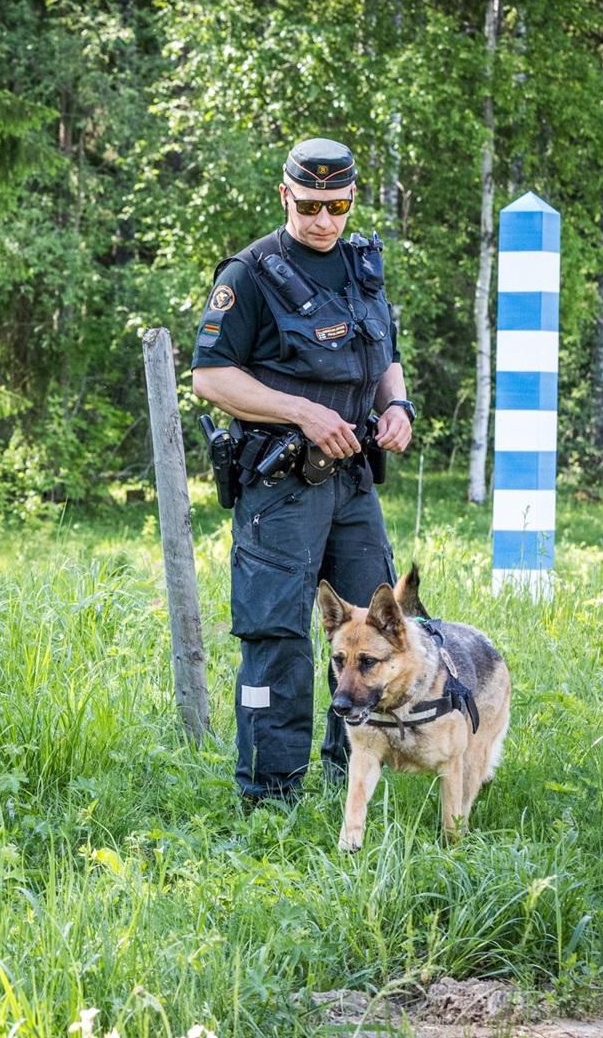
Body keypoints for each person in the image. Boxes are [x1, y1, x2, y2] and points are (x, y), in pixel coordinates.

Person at [191, 137, 415, 802]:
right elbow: (209, 377)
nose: (323, 220)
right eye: (310, 204)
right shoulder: (250, 274)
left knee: (379, 628)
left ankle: (354, 776)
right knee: (280, 637)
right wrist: (301, 411)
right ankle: (269, 797)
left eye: (337, 205)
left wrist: (396, 404)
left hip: (353, 484)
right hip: (281, 485)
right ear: (285, 194)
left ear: (352, 199)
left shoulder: (361, 266)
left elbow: (385, 352)